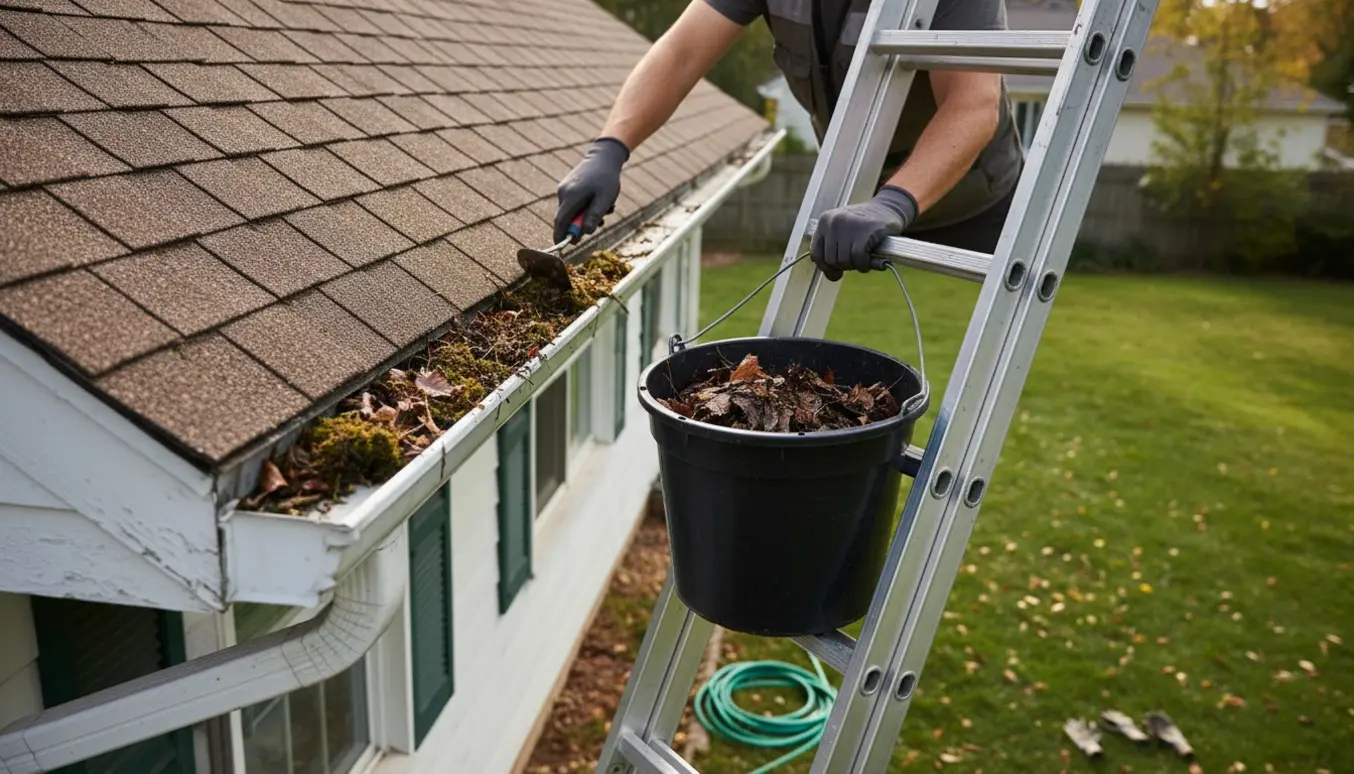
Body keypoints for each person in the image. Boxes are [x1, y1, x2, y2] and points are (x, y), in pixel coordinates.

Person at [552, 0, 1026, 281]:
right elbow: (680, 53)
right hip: (856, 196)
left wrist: (892, 204)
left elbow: (972, 104)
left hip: (973, 200)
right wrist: (609, 149)